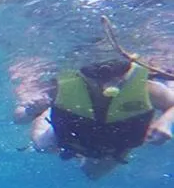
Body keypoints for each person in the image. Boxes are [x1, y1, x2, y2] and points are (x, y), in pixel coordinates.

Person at [23, 58, 174, 180]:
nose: (105, 83)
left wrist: (164, 122)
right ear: (82, 74)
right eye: (96, 76)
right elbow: (19, 116)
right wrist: (31, 110)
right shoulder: (59, 85)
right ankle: (48, 113)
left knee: (92, 174)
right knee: (42, 146)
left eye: (115, 73)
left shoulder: (148, 88)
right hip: (72, 128)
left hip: (116, 142)